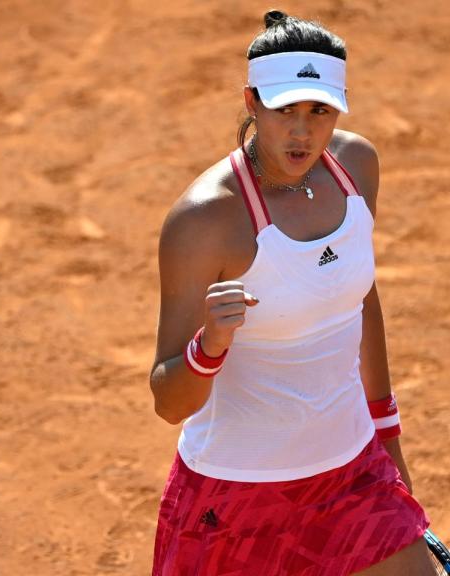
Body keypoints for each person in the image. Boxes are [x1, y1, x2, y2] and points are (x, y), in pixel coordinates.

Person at [148, 10, 435, 576]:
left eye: (320, 110)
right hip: (236, 499)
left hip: (352, 476)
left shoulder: (356, 167)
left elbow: (361, 303)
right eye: (284, 110)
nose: (302, 132)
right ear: (252, 102)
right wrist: (210, 345)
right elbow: (167, 400)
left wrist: (388, 442)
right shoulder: (207, 221)